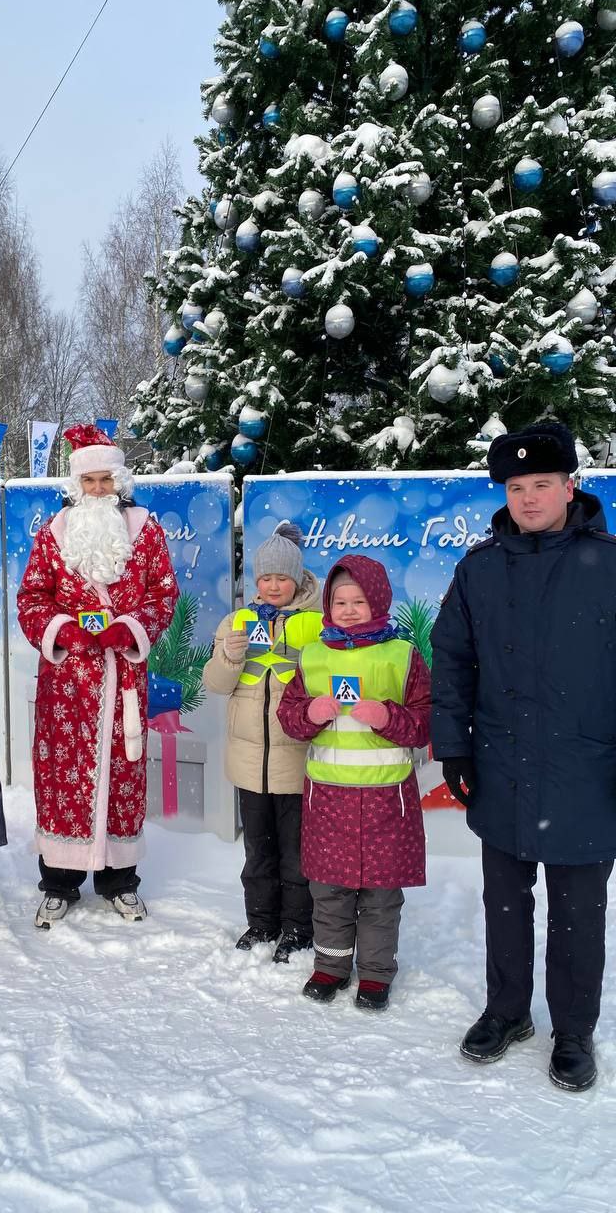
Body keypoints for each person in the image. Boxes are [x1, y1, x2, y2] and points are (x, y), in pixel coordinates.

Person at [431, 422, 616, 1092]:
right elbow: (451, 660)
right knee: (504, 903)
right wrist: (454, 747)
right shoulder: (479, 569)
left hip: (587, 772)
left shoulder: (609, 564)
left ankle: (573, 1031)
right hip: (503, 768)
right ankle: (507, 1012)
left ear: (570, 486)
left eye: (542, 483)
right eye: (516, 487)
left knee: (578, 914)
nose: (529, 498)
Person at [17, 423, 178, 928]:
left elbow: (164, 593)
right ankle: (58, 884)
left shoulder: (145, 530)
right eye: (89, 481)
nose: (98, 489)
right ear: (76, 485)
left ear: (119, 482)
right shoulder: (53, 533)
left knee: (123, 776)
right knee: (62, 779)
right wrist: (62, 629)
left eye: (106, 480)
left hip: (123, 675)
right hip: (66, 683)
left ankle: (119, 882)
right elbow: (31, 598)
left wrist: (130, 627)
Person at [277, 555, 430, 1010]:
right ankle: (331, 966)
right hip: (328, 800)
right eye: (340, 601)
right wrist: (310, 712)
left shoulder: (402, 655)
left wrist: (388, 716)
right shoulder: (314, 655)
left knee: (381, 896)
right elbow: (289, 717)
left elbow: (426, 722)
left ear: (378, 601)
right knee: (330, 892)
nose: (348, 610)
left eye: (358, 601)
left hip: (387, 801)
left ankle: (376, 974)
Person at [203, 522, 323, 962]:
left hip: (298, 761)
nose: (273, 586)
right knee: (257, 851)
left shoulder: (319, 623)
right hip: (249, 762)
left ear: (298, 578)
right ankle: (261, 923)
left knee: (296, 853)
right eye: (265, 577)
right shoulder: (237, 621)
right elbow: (216, 684)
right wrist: (229, 656)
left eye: (282, 578)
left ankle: (297, 928)